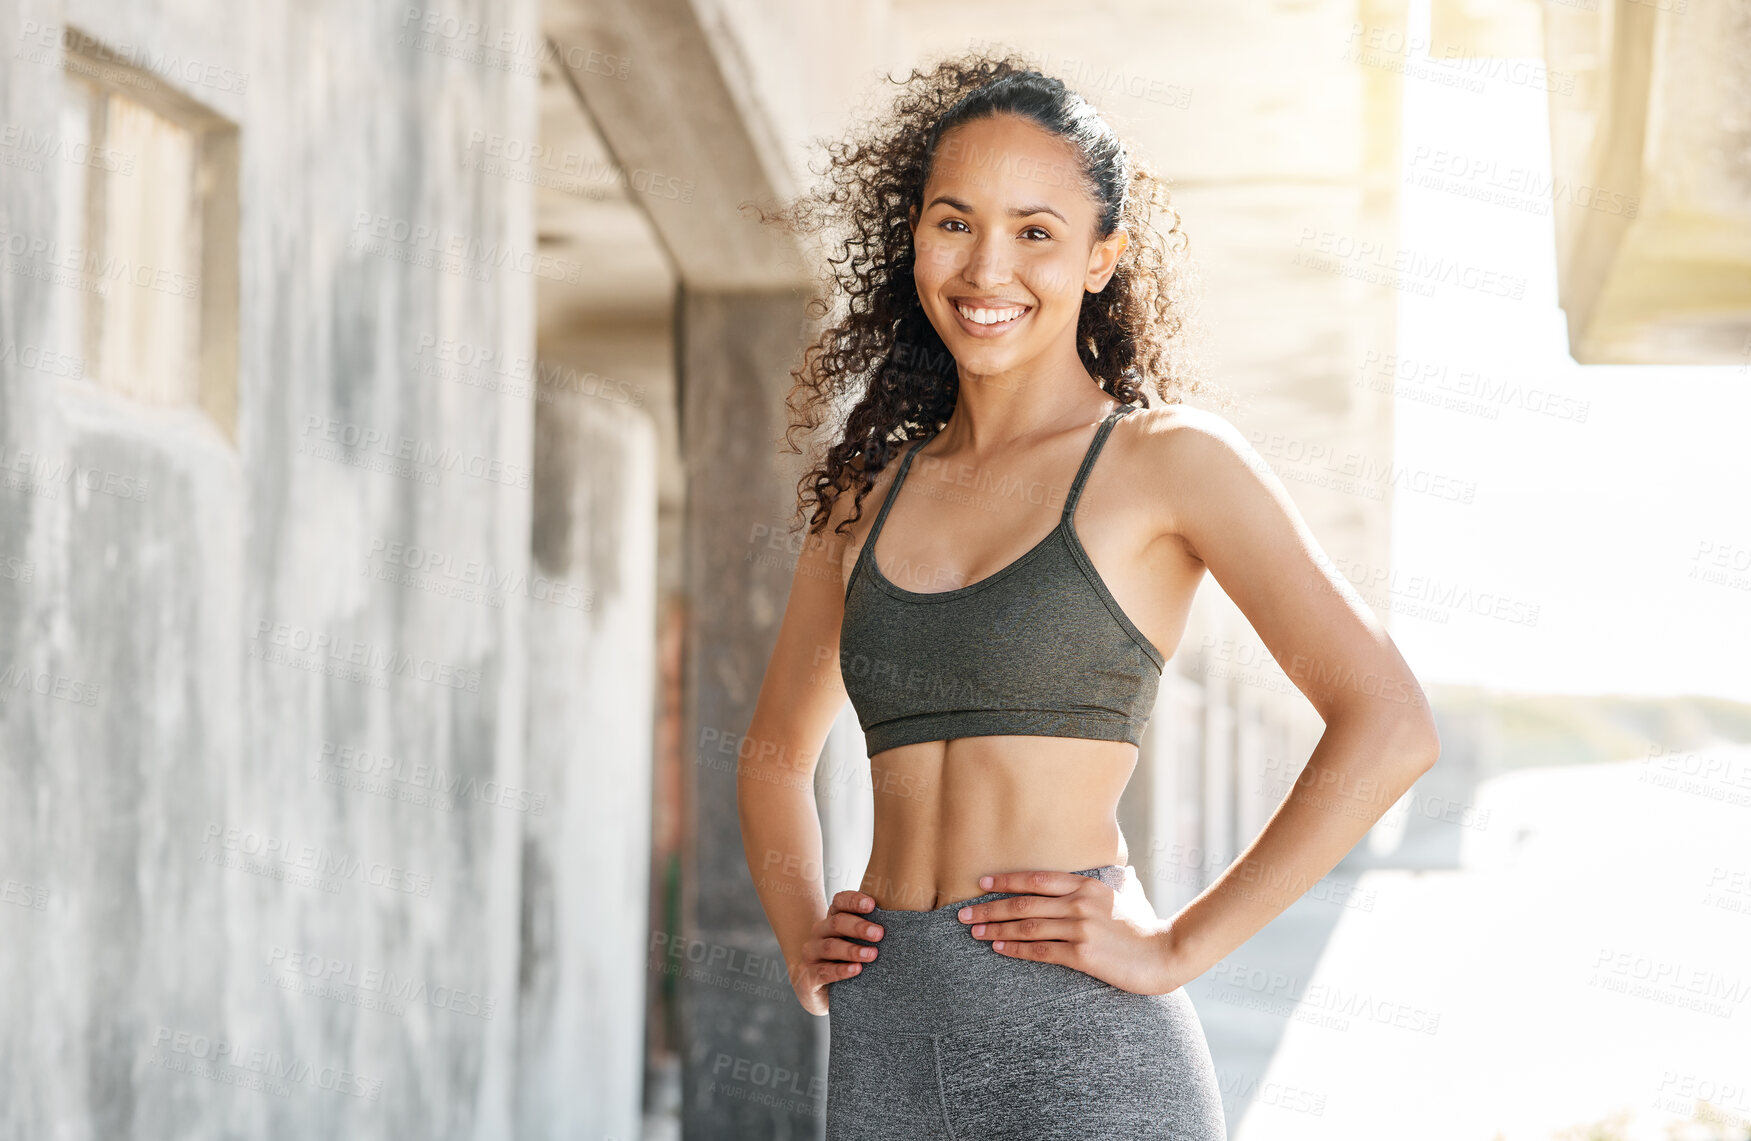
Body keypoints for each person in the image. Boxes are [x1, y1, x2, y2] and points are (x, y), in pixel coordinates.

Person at [737, 54, 1440, 1139]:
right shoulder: (861, 506)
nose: (985, 268)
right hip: (885, 1050)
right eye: (952, 222)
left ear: (1100, 257)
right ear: (911, 237)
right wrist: (798, 930)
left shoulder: (1167, 464)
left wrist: (1175, 949)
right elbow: (777, 751)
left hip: (1081, 1053)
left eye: (1034, 231)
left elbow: (1388, 722)